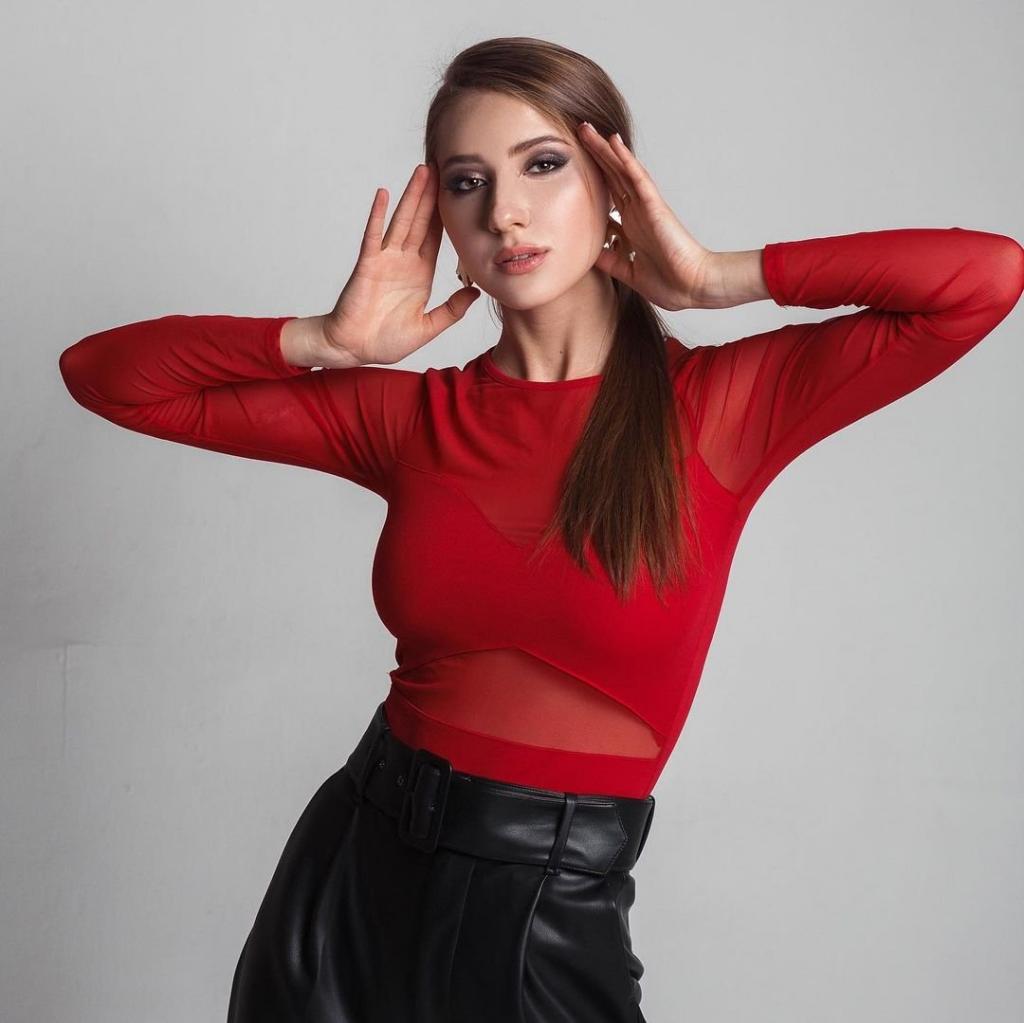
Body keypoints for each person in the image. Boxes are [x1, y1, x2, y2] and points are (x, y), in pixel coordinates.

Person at [57, 34, 1024, 1023]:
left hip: (543, 916)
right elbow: (104, 378)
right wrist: (328, 340)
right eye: (467, 182)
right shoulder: (413, 420)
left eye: (542, 164)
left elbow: (984, 277)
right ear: (444, 219)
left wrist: (714, 277)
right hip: (349, 886)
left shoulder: (720, 409)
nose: (504, 212)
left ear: (612, 182)